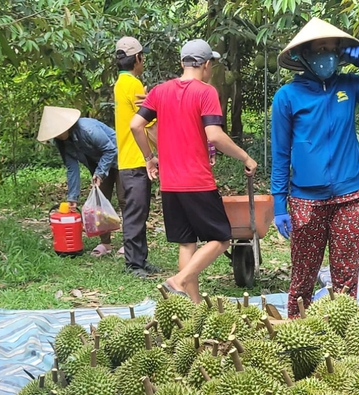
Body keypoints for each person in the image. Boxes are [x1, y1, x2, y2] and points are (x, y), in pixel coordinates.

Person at [271, 17, 359, 318]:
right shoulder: (287, 97)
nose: (326, 54)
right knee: (303, 279)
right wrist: (279, 204)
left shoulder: (349, 87)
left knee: (346, 279)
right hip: (306, 201)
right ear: (304, 54)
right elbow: (280, 155)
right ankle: (298, 332)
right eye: (320, 48)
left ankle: (342, 339)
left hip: (349, 197)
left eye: (332, 48)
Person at [130, 39, 258, 303]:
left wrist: (150, 158)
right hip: (197, 181)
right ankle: (177, 281)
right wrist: (246, 157)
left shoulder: (160, 91)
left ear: (182, 63)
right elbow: (215, 136)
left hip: (170, 183)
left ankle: (194, 306)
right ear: (207, 64)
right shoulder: (206, 92)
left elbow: (135, 126)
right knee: (221, 238)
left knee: (187, 242)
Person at [37, 106, 125, 257]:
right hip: (100, 165)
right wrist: (73, 197)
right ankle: (105, 243)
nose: (56, 136)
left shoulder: (87, 129)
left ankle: (129, 244)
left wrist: (100, 172)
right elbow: (72, 168)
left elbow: (111, 149)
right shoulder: (62, 143)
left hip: (121, 160)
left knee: (125, 200)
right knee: (99, 203)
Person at [114, 36, 160, 277]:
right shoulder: (132, 85)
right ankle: (133, 264)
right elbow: (148, 121)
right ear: (138, 58)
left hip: (129, 159)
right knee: (135, 214)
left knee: (139, 212)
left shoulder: (121, 83)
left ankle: (140, 260)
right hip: (135, 159)